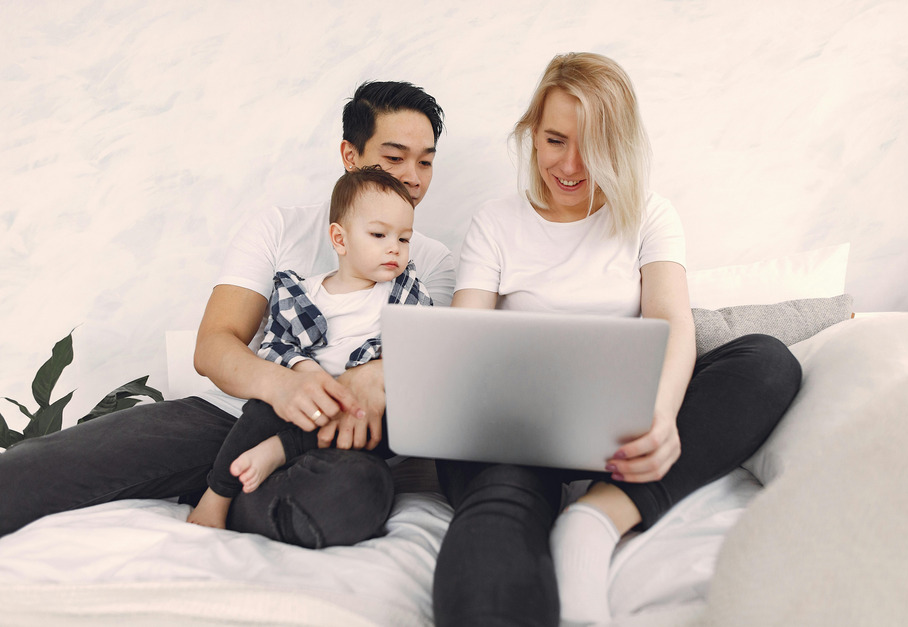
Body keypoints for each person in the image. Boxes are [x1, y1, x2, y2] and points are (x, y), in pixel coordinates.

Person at [0, 81, 455, 549]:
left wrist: (372, 378)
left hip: (334, 440)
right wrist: (283, 385)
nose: (412, 176)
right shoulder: (280, 228)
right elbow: (214, 345)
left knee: (354, 495)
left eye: (425, 161)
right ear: (350, 154)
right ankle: (222, 480)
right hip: (235, 417)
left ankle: (221, 493)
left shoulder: (432, 263)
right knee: (28, 474)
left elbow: (424, 363)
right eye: (395, 157)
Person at [432, 53, 802, 626]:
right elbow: (464, 342)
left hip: (617, 433)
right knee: (494, 509)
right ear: (532, 135)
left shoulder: (649, 215)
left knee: (767, 361)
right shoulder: (495, 223)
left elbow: (670, 321)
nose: (572, 165)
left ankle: (598, 517)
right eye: (556, 140)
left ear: (621, 146)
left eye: (595, 144)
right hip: (518, 435)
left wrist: (660, 414)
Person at [187, 166, 433, 529]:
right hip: (304, 401)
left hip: (364, 413)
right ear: (340, 239)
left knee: (396, 426)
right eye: (379, 234)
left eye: (405, 238)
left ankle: (280, 450)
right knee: (259, 411)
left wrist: (380, 378)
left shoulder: (405, 293)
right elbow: (276, 344)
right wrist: (306, 373)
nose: (394, 248)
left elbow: (422, 351)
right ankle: (217, 494)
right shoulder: (304, 293)